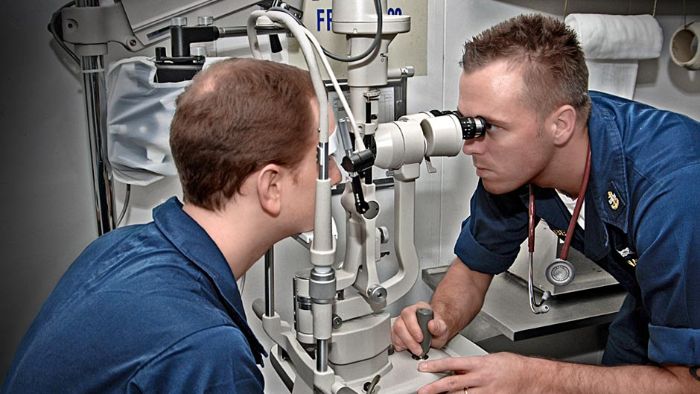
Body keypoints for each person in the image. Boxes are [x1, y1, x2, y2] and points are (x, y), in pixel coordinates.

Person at [391, 14, 700, 394]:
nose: (470, 145)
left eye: (490, 127)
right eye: (468, 125)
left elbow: (687, 385)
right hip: (647, 310)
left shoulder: (676, 193)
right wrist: (440, 319)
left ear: (561, 125)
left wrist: (536, 378)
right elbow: (472, 269)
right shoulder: (515, 165)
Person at [2, 58, 341, 393]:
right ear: (271, 187)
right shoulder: (206, 353)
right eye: (323, 158)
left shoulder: (117, 246)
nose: (337, 174)